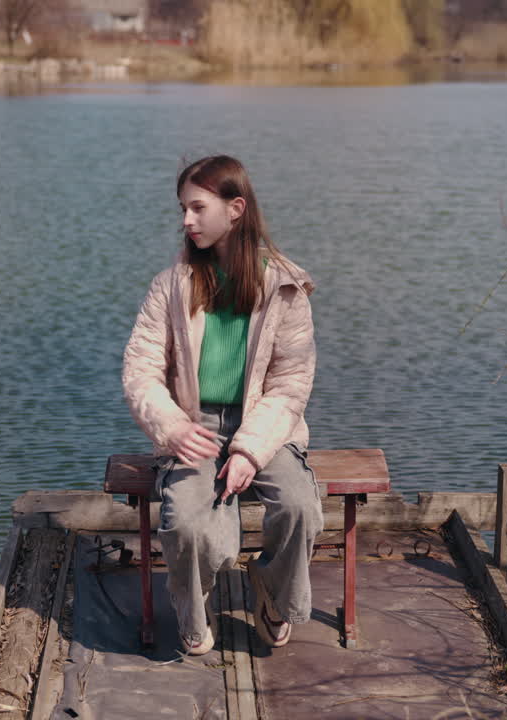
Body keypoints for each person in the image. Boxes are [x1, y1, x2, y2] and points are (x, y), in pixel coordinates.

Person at [122, 155, 323, 656]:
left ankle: (272, 593)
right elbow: (140, 371)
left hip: (265, 420)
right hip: (194, 424)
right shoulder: (171, 286)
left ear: (235, 209)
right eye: (183, 210)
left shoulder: (284, 286)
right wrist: (171, 426)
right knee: (190, 525)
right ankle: (194, 608)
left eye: (197, 207)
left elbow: (291, 383)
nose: (186, 220)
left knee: (299, 507)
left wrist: (250, 450)